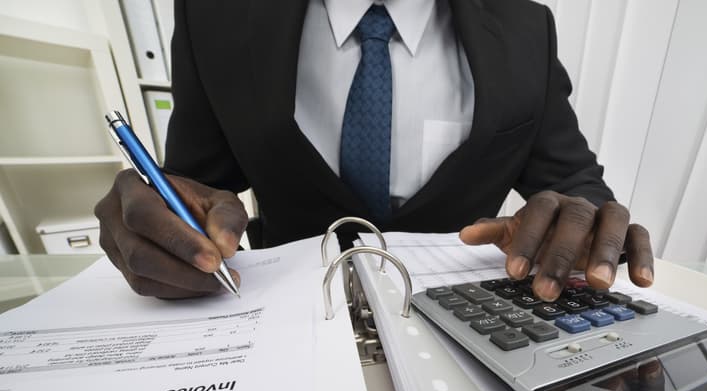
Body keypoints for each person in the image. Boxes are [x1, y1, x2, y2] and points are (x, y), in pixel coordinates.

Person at [95, 0, 654, 300]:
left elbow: (574, 185)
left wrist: (581, 219)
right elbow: (193, 188)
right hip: (279, 313)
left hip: (464, 321)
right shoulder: (214, 14)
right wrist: (157, 221)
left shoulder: (528, 26)